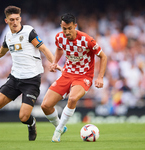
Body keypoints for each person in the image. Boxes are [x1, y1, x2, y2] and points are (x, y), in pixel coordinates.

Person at [0, 5, 57, 142]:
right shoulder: (8, 36)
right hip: (15, 79)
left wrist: (53, 62)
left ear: (20, 19)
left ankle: (31, 124)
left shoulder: (29, 32)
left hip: (31, 80)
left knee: (23, 117)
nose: (14, 22)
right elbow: (1, 52)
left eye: (16, 19)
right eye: (11, 19)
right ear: (6, 21)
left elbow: (43, 48)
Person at [41, 13, 107, 142]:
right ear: (61, 26)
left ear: (75, 26)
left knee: (72, 98)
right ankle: (60, 126)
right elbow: (60, 49)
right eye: (64, 28)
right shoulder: (59, 37)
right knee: (45, 105)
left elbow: (103, 56)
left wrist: (100, 77)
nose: (66, 31)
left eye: (69, 28)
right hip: (67, 74)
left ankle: (58, 131)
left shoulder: (87, 40)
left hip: (84, 76)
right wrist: (55, 62)